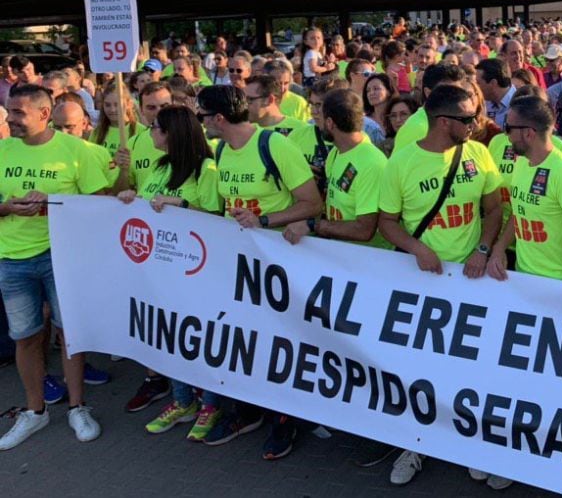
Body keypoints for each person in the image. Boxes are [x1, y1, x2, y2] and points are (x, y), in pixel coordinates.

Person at [376, 84, 502, 486]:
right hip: (422, 282)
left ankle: (471, 443)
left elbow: (495, 207)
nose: (476, 124)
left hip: (470, 278)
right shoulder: (403, 161)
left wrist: (483, 247)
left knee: (472, 367)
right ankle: (417, 444)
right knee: (422, 367)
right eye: (467, 119)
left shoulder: (478, 153)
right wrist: (417, 249)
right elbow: (387, 222)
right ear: (443, 122)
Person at [195, 84, 322, 458]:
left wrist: (264, 219)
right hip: (240, 266)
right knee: (244, 341)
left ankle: (285, 419)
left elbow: (311, 204)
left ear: (218, 118)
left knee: (280, 342)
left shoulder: (274, 145)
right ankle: (248, 411)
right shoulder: (221, 150)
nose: (201, 123)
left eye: (203, 116)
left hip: (279, 265)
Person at [0, 85, 109, 450]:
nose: (10, 119)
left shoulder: (77, 151)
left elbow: (100, 204)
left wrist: (54, 200)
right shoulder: (2, 149)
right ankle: (35, 411)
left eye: (18, 113)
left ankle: (78, 406)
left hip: (62, 256)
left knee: (70, 333)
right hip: (12, 259)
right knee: (26, 337)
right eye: (8, 111)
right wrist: (8, 207)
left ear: (44, 114)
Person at [116, 106, 224, 439]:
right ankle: (182, 400)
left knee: (199, 339)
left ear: (172, 133)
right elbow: (148, 202)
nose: (151, 133)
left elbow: (217, 218)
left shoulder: (207, 168)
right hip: (161, 271)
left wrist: (182, 206)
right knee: (169, 337)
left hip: (197, 272)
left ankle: (210, 404)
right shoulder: (161, 167)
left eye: (156, 128)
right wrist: (132, 198)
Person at [487, 95, 562, 285]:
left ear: (528, 134)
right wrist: (499, 248)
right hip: (523, 277)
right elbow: (521, 212)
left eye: (509, 129)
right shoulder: (523, 162)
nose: (506, 136)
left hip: (556, 285)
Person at [281, 88, 389, 248]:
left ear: (330, 123)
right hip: (338, 257)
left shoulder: (371, 164)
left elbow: (364, 230)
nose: (315, 118)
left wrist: (313, 225)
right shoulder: (336, 153)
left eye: (321, 116)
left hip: (366, 262)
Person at [476, 58, 515, 128]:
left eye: (478, 83)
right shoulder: (484, 104)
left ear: (493, 83)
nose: (475, 87)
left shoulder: (521, 105)